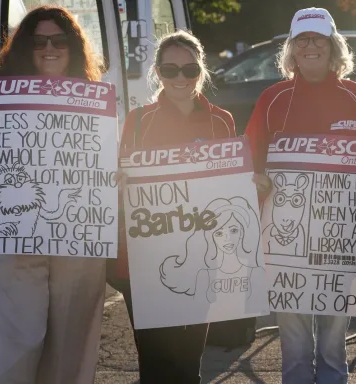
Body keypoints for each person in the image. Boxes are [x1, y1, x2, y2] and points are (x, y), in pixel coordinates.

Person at [0, 6, 105, 383]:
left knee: (72, 346)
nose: (49, 48)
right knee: (19, 342)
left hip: (77, 238)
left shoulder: (95, 96)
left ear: (74, 46)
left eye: (59, 40)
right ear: (23, 46)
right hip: (10, 237)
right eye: (38, 41)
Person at [245, 7, 356, 384]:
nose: (311, 46)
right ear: (291, 49)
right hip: (285, 242)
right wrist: (256, 179)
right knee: (292, 345)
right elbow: (249, 159)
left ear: (333, 45)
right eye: (302, 39)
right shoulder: (272, 98)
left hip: (340, 245)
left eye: (318, 39)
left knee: (333, 343)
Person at [110, 30, 235, 384]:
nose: (180, 78)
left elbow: (229, 188)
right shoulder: (138, 120)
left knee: (188, 360)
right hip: (144, 259)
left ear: (201, 71)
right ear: (158, 72)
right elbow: (121, 178)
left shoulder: (221, 120)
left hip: (201, 259)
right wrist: (121, 179)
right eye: (170, 69)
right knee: (155, 362)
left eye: (189, 69)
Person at [159, 196, 267, 307]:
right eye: (219, 233)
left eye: (234, 230)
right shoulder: (204, 276)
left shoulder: (257, 273)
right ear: (211, 238)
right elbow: (198, 312)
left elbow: (256, 308)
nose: (227, 238)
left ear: (242, 233)